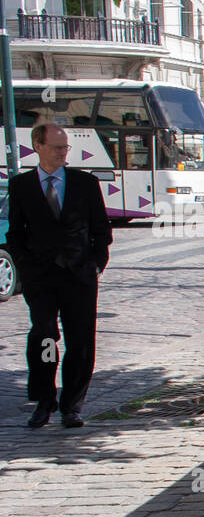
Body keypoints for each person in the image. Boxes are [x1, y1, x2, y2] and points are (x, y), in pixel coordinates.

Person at [5, 123, 112, 428]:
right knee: (45, 335)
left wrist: (95, 264)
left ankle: (72, 405)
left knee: (80, 341)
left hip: (79, 275)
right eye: (56, 147)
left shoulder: (84, 183)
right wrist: (26, 268)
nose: (63, 153)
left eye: (65, 148)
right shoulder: (21, 186)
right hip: (40, 278)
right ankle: (44, 400)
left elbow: (101, 229)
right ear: (37, 147)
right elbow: (16, 232)